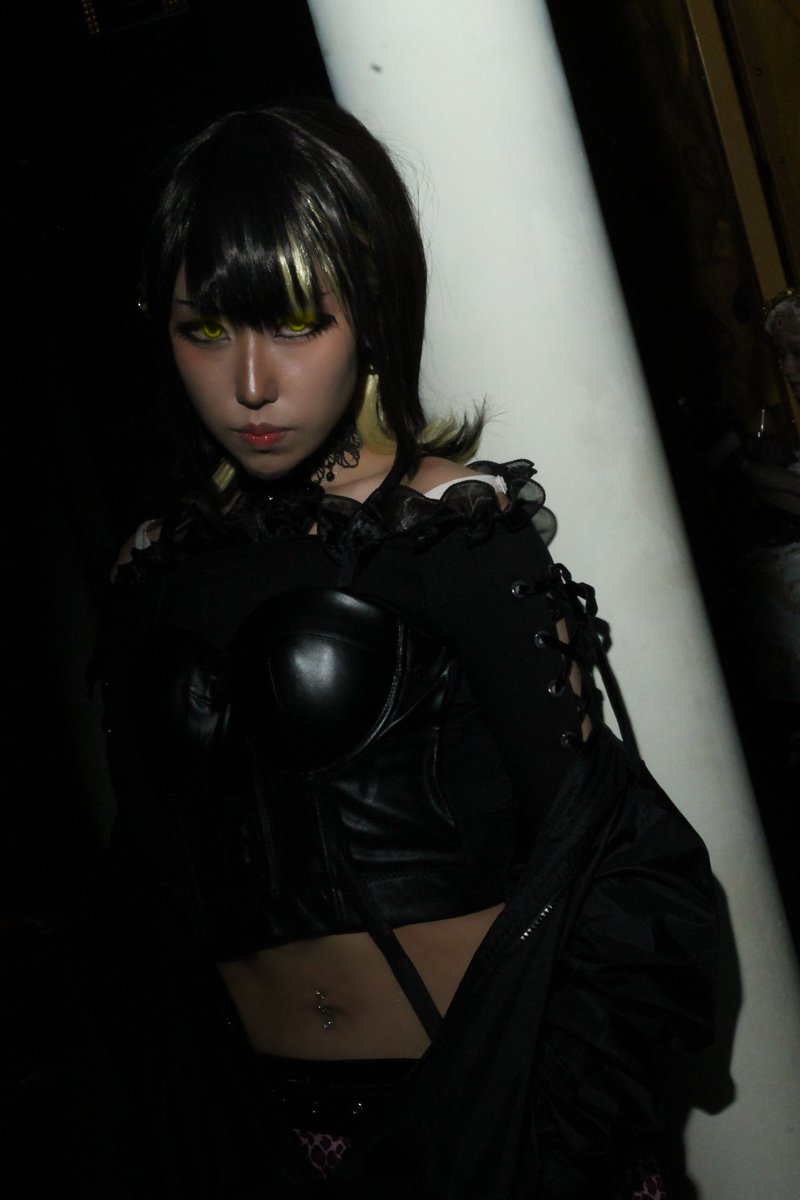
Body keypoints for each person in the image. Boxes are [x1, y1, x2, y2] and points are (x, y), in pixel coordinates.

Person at [89, 99, 718, 1199]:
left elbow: (607, 857)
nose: (250, 382)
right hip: (259, 1137)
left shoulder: (447, 531)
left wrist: (555, 1127)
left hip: (488, 1121)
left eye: (297, 322)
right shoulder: (156, 566)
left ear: (372, 311)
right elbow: (148, 889)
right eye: (206, 329)